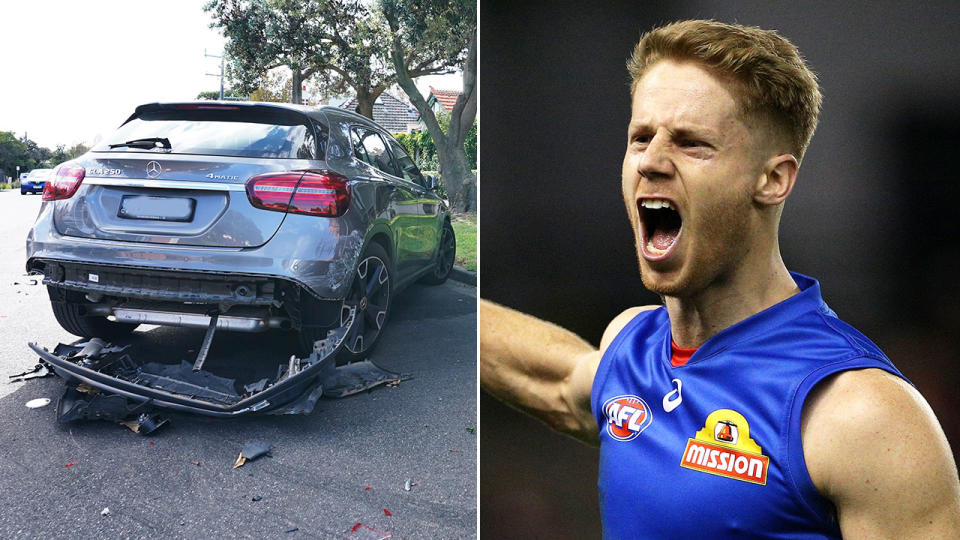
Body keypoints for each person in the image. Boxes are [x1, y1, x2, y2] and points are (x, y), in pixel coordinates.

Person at [480, 19, 960, 539]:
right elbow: (550, 379)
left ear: (773, 179)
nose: (652, 162)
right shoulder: (633, 345)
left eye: (691, 144)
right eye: (641, 137)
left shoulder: (861, 412)